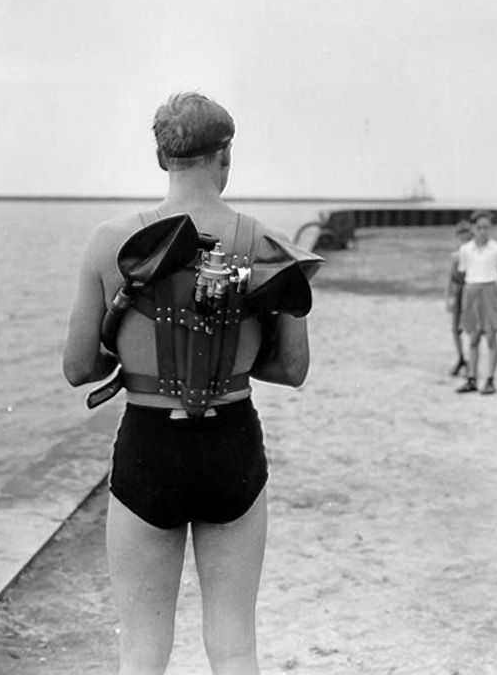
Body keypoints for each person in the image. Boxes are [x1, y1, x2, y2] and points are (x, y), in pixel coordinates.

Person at [62, 92, 312, 675]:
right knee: (234, 645)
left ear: (161, 157)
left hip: (150, 445)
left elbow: (79, 368)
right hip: (232, 444)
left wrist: (126, 353)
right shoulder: (270, 245)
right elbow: (293, 369)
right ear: (225, 155)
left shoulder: (108, 241)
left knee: (142, 651)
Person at [456, 210, 497, 395]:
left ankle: (490, 379)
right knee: (473, 337)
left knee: (491, 337)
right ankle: (471, 378)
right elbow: (463, 275)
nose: (483, 231)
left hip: (490, 291)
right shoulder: (465, 250)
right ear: (473, 228)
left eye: (486, 227)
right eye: (479, 228)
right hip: (472, 291)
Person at [446, 220, 473, 376]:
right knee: (455, 329)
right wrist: (448, 297)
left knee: (469, 328)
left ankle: (469, 359)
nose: (463, 235)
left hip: (469, 291)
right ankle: (461, 357)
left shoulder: (472, 251)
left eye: (466, 232)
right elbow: (450, 278)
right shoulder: (456, 255)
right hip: (457, 291)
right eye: (460, 232)